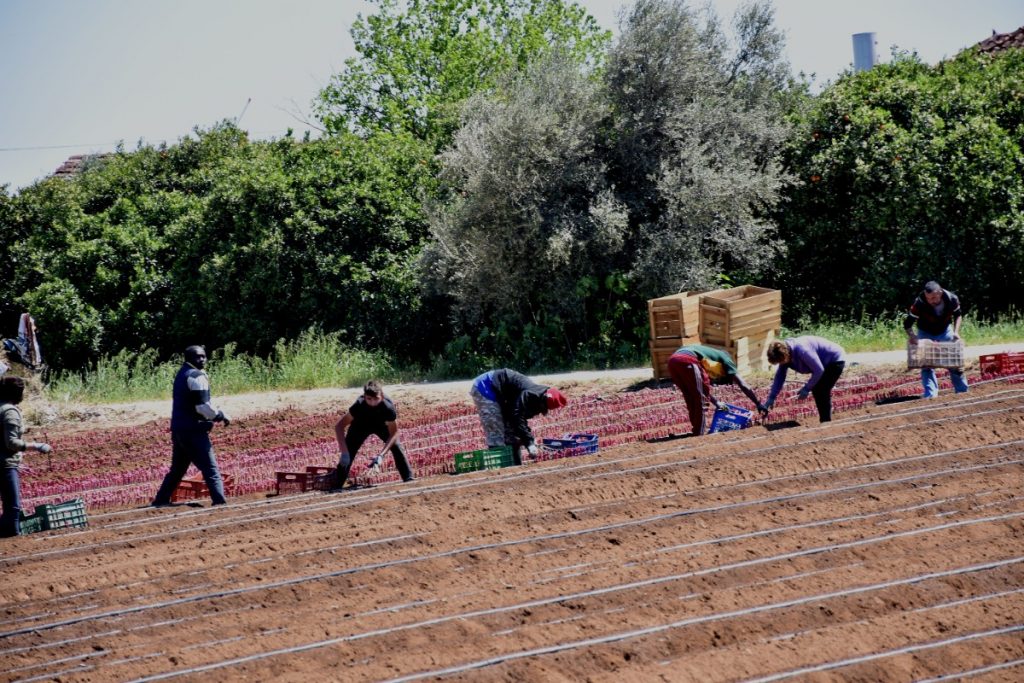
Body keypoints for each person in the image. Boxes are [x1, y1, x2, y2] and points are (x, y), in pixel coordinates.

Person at [152, 346, 230, 507]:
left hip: (179, 429)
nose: (201, 360)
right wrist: (220, 416)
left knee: (178, 469)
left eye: (203, 356)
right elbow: (202, 407)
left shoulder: (182, 373)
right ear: (188, 359)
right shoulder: (196, 376)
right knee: (210, 468)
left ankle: (161, 500)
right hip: (194, 430)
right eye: (197, 357)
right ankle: (219, 501)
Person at [469, 369, 568, 463]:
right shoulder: (529, 394)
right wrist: (529, 442)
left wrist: (529, 439)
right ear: (543, 401)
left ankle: (515, 465)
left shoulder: (536, 396)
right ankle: (498, 469)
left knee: (512, 435)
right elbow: (517, 415)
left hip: (500, 394)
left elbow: (520, 419)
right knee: (495, 429)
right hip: (486, 387)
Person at [666, 343, 767, 436]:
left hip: (672, 362)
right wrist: (758, 403)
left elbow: (702, 390)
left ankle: (696, 430)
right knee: (700, 400)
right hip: (687, 360)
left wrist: (716, 402)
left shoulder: (706, 356)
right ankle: (699, 433)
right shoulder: (726, 359)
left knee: (691, 397)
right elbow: (742, 384)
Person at [333, 380, 414, 490]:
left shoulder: (388, 408)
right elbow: (339, 426)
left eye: (376, 399)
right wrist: (344, 452)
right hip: (360, 426)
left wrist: (381, 455)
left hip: (381, 426)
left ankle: (409, 478)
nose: (372, 403)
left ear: (382, 395)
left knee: (397, 446)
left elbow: (394, 433)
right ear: (364, 396)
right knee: (349, 452)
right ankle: (337, 484)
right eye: (369, 399)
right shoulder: (359, 405)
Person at [1, 376, 52, 537]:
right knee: (13, 507)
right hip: (5, 465)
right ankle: (12, 538)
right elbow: (11, 443)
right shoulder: (10, 411)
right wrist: (36, 446)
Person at [904, 281, 969, 398]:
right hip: (925, 332)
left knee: (954, 362)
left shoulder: (952, 298)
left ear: (940, 292)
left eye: (934, 297)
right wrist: (913, 337)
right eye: (929, 298)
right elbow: (907, 323)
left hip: (945, 330)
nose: (931, 301)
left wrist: (956, 332)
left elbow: (958, 314)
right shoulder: (919, 302)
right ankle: (931, 395)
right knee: (926, 365)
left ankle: (962, 391)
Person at [763, 337, 846, 423]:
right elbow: (780, 376)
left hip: (835, 359)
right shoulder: (785, 353)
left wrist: (807, 388)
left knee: (821, 389)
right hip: (823, 363)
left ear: (786, 354)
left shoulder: (802, 350)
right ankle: (825, 420)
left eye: (781, 362)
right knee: (818, 389)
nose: (781, 364)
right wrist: (771, 397)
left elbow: (818, 370)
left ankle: (826, 421)